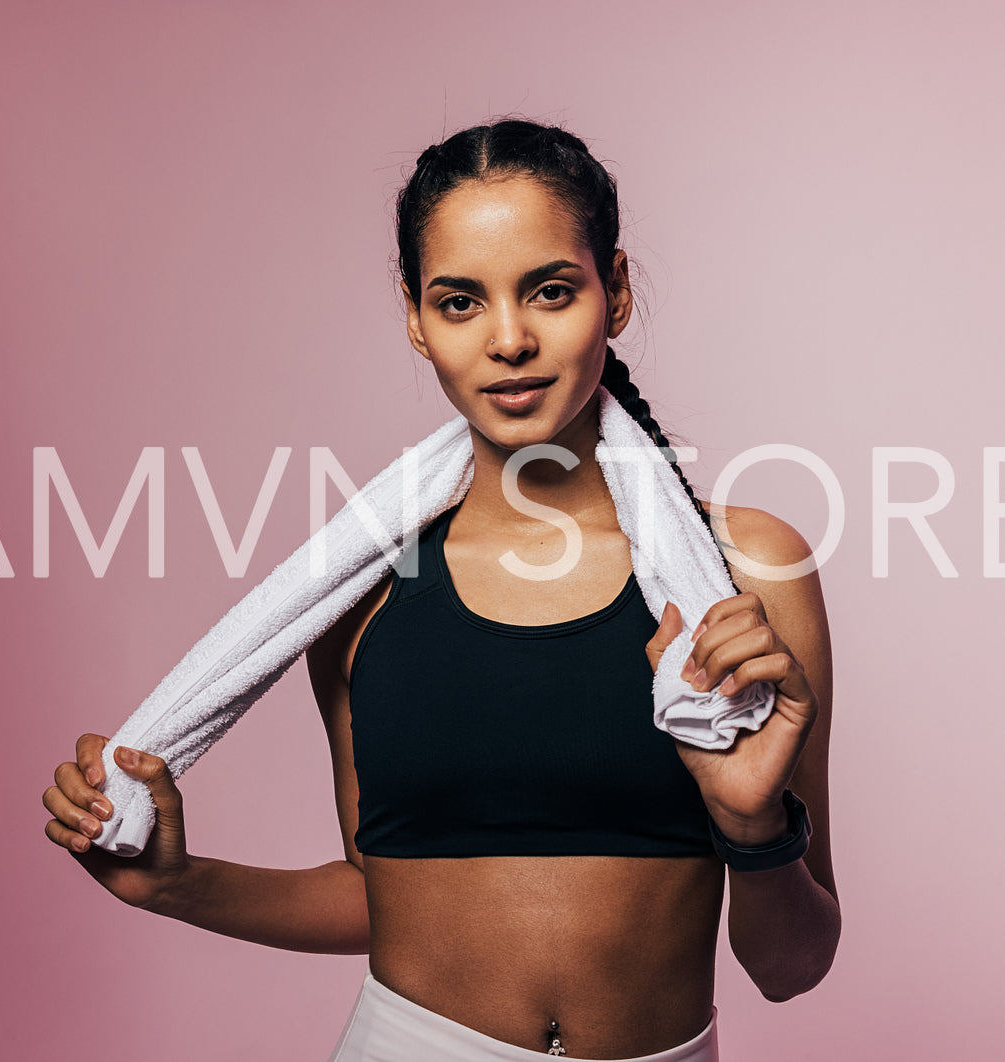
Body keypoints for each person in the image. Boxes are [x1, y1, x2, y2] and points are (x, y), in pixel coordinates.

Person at [42, 118, 840, 1061]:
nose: (508, 340)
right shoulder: (362, 596)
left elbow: (792, 965)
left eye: (549, 290)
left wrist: (754, 827)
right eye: (460, 302)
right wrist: (178, 885)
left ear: (614, 292)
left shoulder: (741, 580)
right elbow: (375, 895)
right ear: (416, 318)